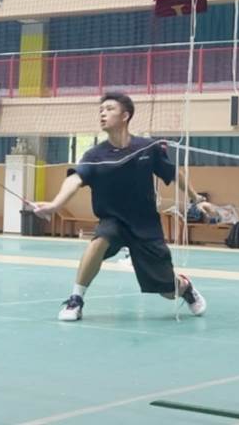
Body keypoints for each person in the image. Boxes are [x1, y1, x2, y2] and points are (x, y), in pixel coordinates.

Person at [34, 92, 207, 321]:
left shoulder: (148, 148)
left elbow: (175, 173)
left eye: (109, 109)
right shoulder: (95, 155)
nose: (102, 114)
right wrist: (55, 204)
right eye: (101, 110)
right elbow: (75, 179)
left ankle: (185, 287)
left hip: (145, 225)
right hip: (113, 220)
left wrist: (197, 199)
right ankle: (76, 299)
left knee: (167, 290)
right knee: (99, 241)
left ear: (125, 116)